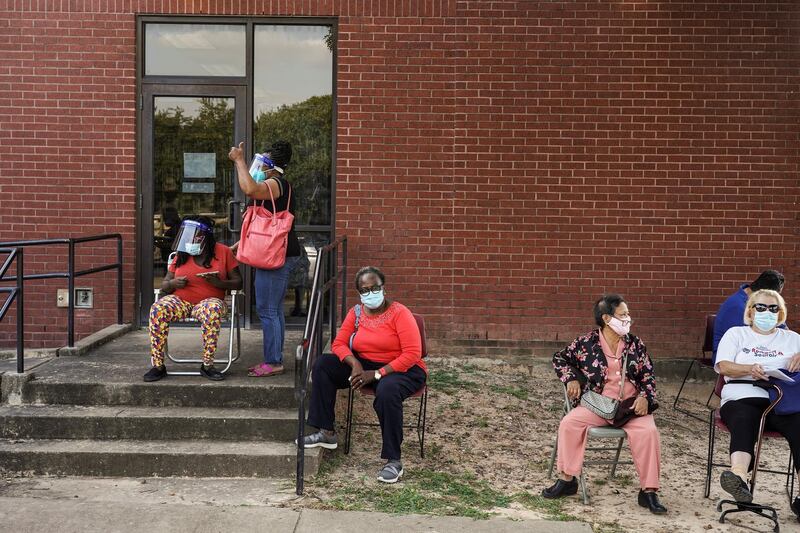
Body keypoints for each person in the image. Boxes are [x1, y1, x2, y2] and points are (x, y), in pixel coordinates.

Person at [299, 266, 427, 484]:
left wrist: (377, 373)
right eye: (364, 290)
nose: (370, 293)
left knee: (387, 391)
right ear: (359, 293)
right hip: (365, 364)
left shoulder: (400, 313)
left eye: (374, 287)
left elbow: (413, 354)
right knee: (322, 365)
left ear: (383, 288)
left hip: (402, 368)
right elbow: (339, 343)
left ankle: (393, 461)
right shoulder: (356, 313)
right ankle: (326, 432)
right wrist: (355, 363)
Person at [543, 294, 667, 514]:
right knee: (569, 423)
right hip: (597, 405)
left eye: (628, 314)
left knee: (649, 432)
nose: (628, 318)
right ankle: (567, 480)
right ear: (607, 318)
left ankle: (648, 491)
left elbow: (648, 376)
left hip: (631, 408)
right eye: (623, 315)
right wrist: (571, 378)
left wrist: (645, 398)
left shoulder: (635, 344)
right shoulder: (585, 343)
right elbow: (559, 359)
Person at [714, 289, 800, 516]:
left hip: (783, 400)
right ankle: (739, 479)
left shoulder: (793, 339)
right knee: (744, 419)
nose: (767, 312)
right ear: (750, 312)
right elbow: (723, 366)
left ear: (781, 314)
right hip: (743, 396)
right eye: (760, 307)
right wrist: (749, 369)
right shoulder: (736, 334)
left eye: (773, 308)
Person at [228, 140, 301, 377]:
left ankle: (274, 361)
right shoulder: (271, 184)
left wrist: (239, 160)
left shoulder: (275, 183)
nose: (256, 167)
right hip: (272, 252)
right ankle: (274, 359)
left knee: (267, 309)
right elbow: (262, 226)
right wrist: (240, 244)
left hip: (276, 256)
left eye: (261, 162)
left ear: (271, 165)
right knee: (273, 309)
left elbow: (249, 189)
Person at [144, 216, 242, 382]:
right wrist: (174, 283)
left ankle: (208, 365)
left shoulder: (223, 251)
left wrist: (219, 283)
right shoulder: (182, 253)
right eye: (188, 236)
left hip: (210, 301)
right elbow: (165, 285)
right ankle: (158, 366)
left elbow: (238, 282)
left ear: (205, 236)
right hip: (181, 301)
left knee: (212, 310)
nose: (191, 240)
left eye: (195, 236)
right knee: (157, 309)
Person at [713, 270, 785, 363]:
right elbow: (752, 338)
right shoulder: (737, 306)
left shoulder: (756, 302)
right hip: (729, 356)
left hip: (752, 351)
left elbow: (782, 329)